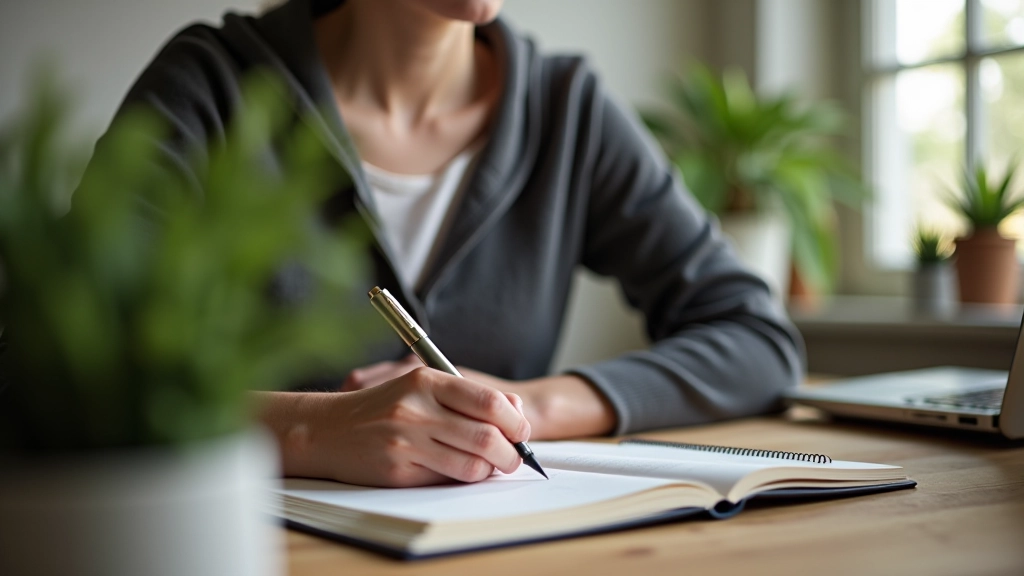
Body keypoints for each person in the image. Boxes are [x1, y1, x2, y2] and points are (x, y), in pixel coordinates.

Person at [89, 0, 804, 487]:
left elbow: (756, 339)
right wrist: (306, 431)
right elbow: (27, 373)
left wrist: (527, 407)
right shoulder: (213, 86)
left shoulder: (566, 110)